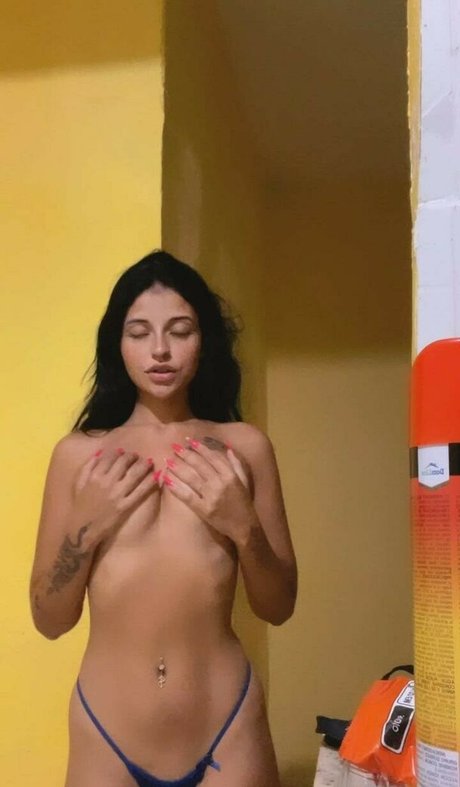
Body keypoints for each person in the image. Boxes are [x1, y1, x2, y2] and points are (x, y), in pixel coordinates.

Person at [29, 250, 297, 787]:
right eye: (139, 332)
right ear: (117, 344)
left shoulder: (244, 448)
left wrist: (244, 526)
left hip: (228, 729)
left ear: (204, 341)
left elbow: (278, 606)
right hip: (106, 735)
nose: (159, 350)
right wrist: (85, 528)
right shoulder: (78, 457)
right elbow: (49, 619)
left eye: (179, 331)